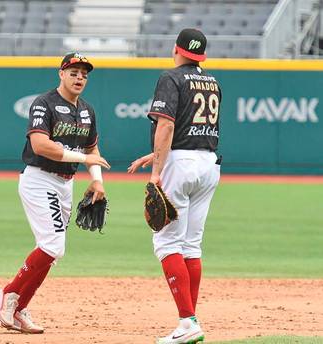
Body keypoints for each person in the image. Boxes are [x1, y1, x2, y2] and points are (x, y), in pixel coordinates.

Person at [0, 52, 110, 334]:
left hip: (65, 183)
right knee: (52, 246)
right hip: (40, 179)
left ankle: (20, 307)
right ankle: (8, 295)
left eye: (84, 73)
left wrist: (97, 181)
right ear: (61, 73)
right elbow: (40, 145)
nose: (80, 77)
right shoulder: (44, 103)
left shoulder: (87, 110)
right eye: (74, 72)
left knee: (52, 252)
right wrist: (84, 161)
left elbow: (91, 149)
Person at [128, 28, 221, 344]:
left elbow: (167, 124)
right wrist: (154, 155)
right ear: (202, 55)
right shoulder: (212, 81)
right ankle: (191, 320)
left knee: (167, 244)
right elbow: (190, 130)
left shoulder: (171, 77)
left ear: (176, 49)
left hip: (180, 165)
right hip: (208, 163)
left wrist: (156, 172)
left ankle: (187, 322)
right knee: (191, 245)